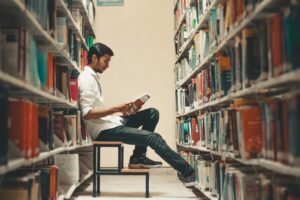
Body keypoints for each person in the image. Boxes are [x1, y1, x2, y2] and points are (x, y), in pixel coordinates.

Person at [78, 42, 196, 187]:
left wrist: (124, 111)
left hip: (111, 123)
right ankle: (189, 173)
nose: (108, 65)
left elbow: (99, 111)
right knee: (153, 138)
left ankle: (138, 157)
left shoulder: (93, 78)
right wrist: (116, 108)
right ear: (94, 58)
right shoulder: (85, 79)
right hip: (103, 131)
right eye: (106, 61)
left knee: (152, 113)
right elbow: (87, 114)